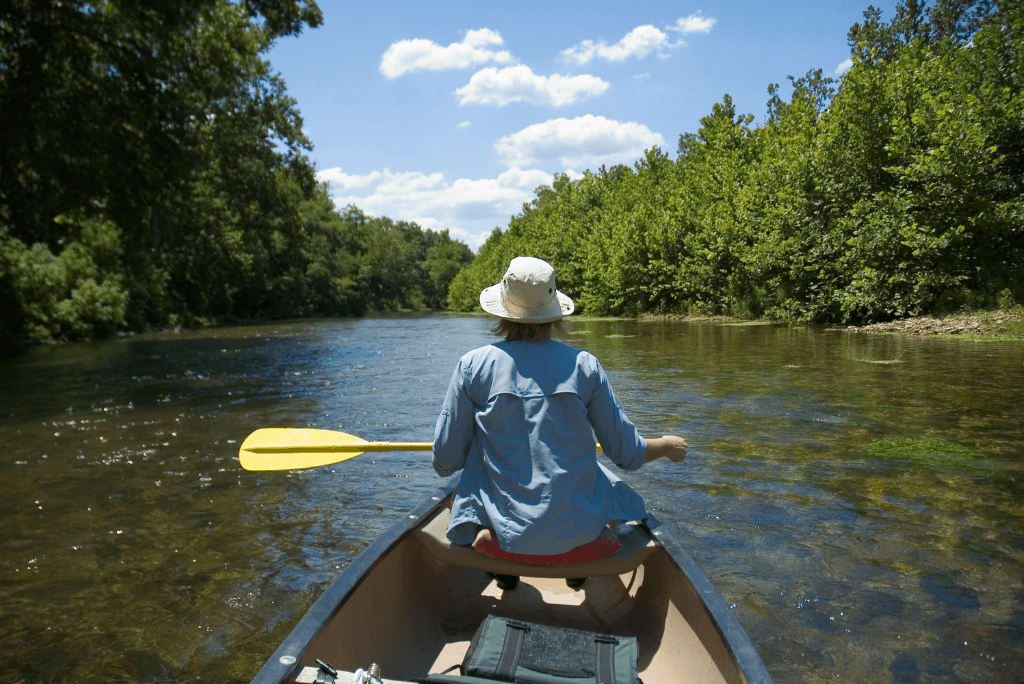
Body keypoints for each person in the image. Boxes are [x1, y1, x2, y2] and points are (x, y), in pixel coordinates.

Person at [432, 257, 687, 588]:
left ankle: (502, 559)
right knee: (597, 473)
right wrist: (666, 445)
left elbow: (445, 461)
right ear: (553, 313)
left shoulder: (471, 367)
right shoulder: (585, 366)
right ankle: (578, 560)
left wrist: (475, 441)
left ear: (501, 311)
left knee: (479, 458)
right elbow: (627, 454)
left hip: (506, 532)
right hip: (574, 531)